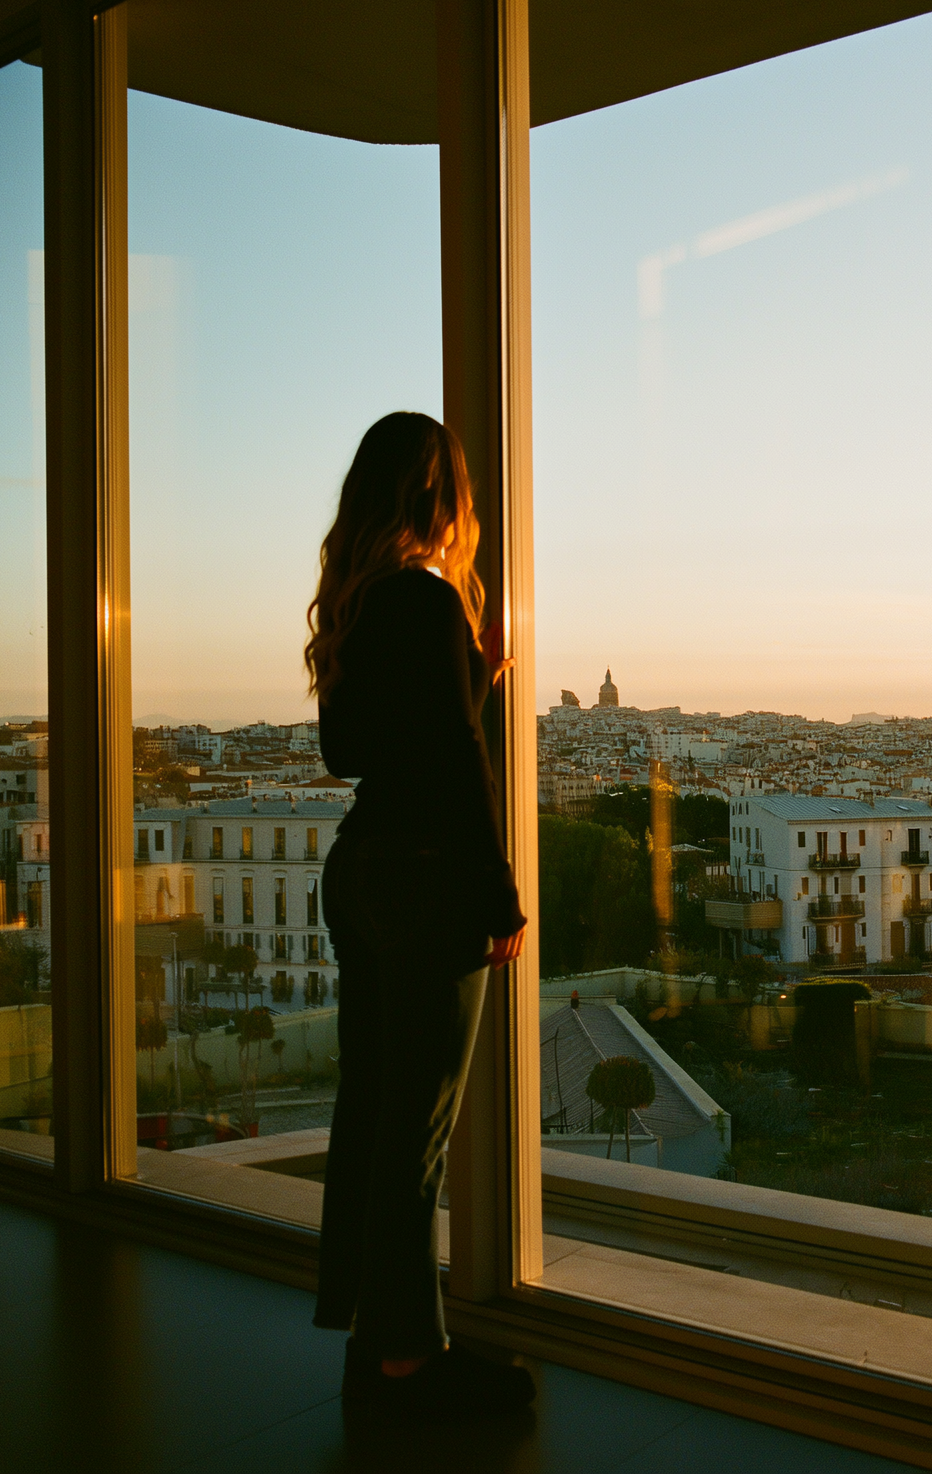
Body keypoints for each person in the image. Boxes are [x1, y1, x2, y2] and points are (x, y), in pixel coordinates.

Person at [306, 412, 531, 1419]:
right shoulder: (428, 599)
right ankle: (407, 1363)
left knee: (370, 1116)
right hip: (425, 878)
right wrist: (500, 895)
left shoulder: (356, 606)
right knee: (418, 1133)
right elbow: (453, 760)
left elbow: (351, 754)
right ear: (442, 499)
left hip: (358, 870)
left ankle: (370, 1331)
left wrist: (465, 671)